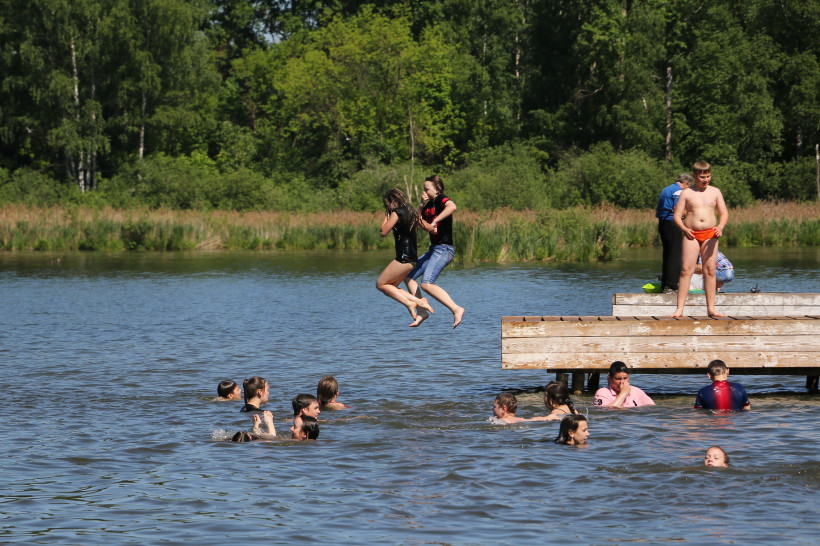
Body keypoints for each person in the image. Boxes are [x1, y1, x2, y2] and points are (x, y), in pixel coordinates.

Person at [404, 175, 465, 329]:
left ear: (437, 189)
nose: (424, 191)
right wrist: (421, 204)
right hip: (434, 249)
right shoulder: (428, 204)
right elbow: (415, 223)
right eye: (423, 189)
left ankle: (456, 308)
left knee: (426, 284)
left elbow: (453, 207)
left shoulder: (442, 200)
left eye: (427, 189)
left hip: (444, 249)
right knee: (408, 277)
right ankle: (422, 311)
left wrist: (436, 220)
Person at [672, 161, 729, 318]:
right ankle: (679, 310)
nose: (706, 180)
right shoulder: (687, 193)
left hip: (711, 234)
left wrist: (720, 227)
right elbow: (676, 216)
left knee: (710, 270)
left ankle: (711, 309)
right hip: (691, 234)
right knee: (685, 269)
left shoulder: (715, 192)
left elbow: (724, 213)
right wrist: (684, 229)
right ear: (694, 176)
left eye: (708, 176)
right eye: (702, 177)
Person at [377, 188, 435, 324]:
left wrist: (387, 215)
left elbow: (383, 231)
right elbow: (425, 226)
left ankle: (414, 302)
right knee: (390, 287)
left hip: (403, 257)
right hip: (413, 258)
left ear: (393, 202)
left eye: (387, 204)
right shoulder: (410, 210)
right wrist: (433, 228)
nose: (387, 207)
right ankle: (420, 307)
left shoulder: (396, 213)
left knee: (380, 284)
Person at [656, 173, 693, 293]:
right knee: (675, 255)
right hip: (672, 224)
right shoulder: (678, 192)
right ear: (686, 183)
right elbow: (679, 210)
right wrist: (691, 213)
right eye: (690, 187)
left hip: (663, 223)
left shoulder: (666, 189)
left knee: (667, 254)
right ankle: (672, 285)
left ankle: (665, 284)